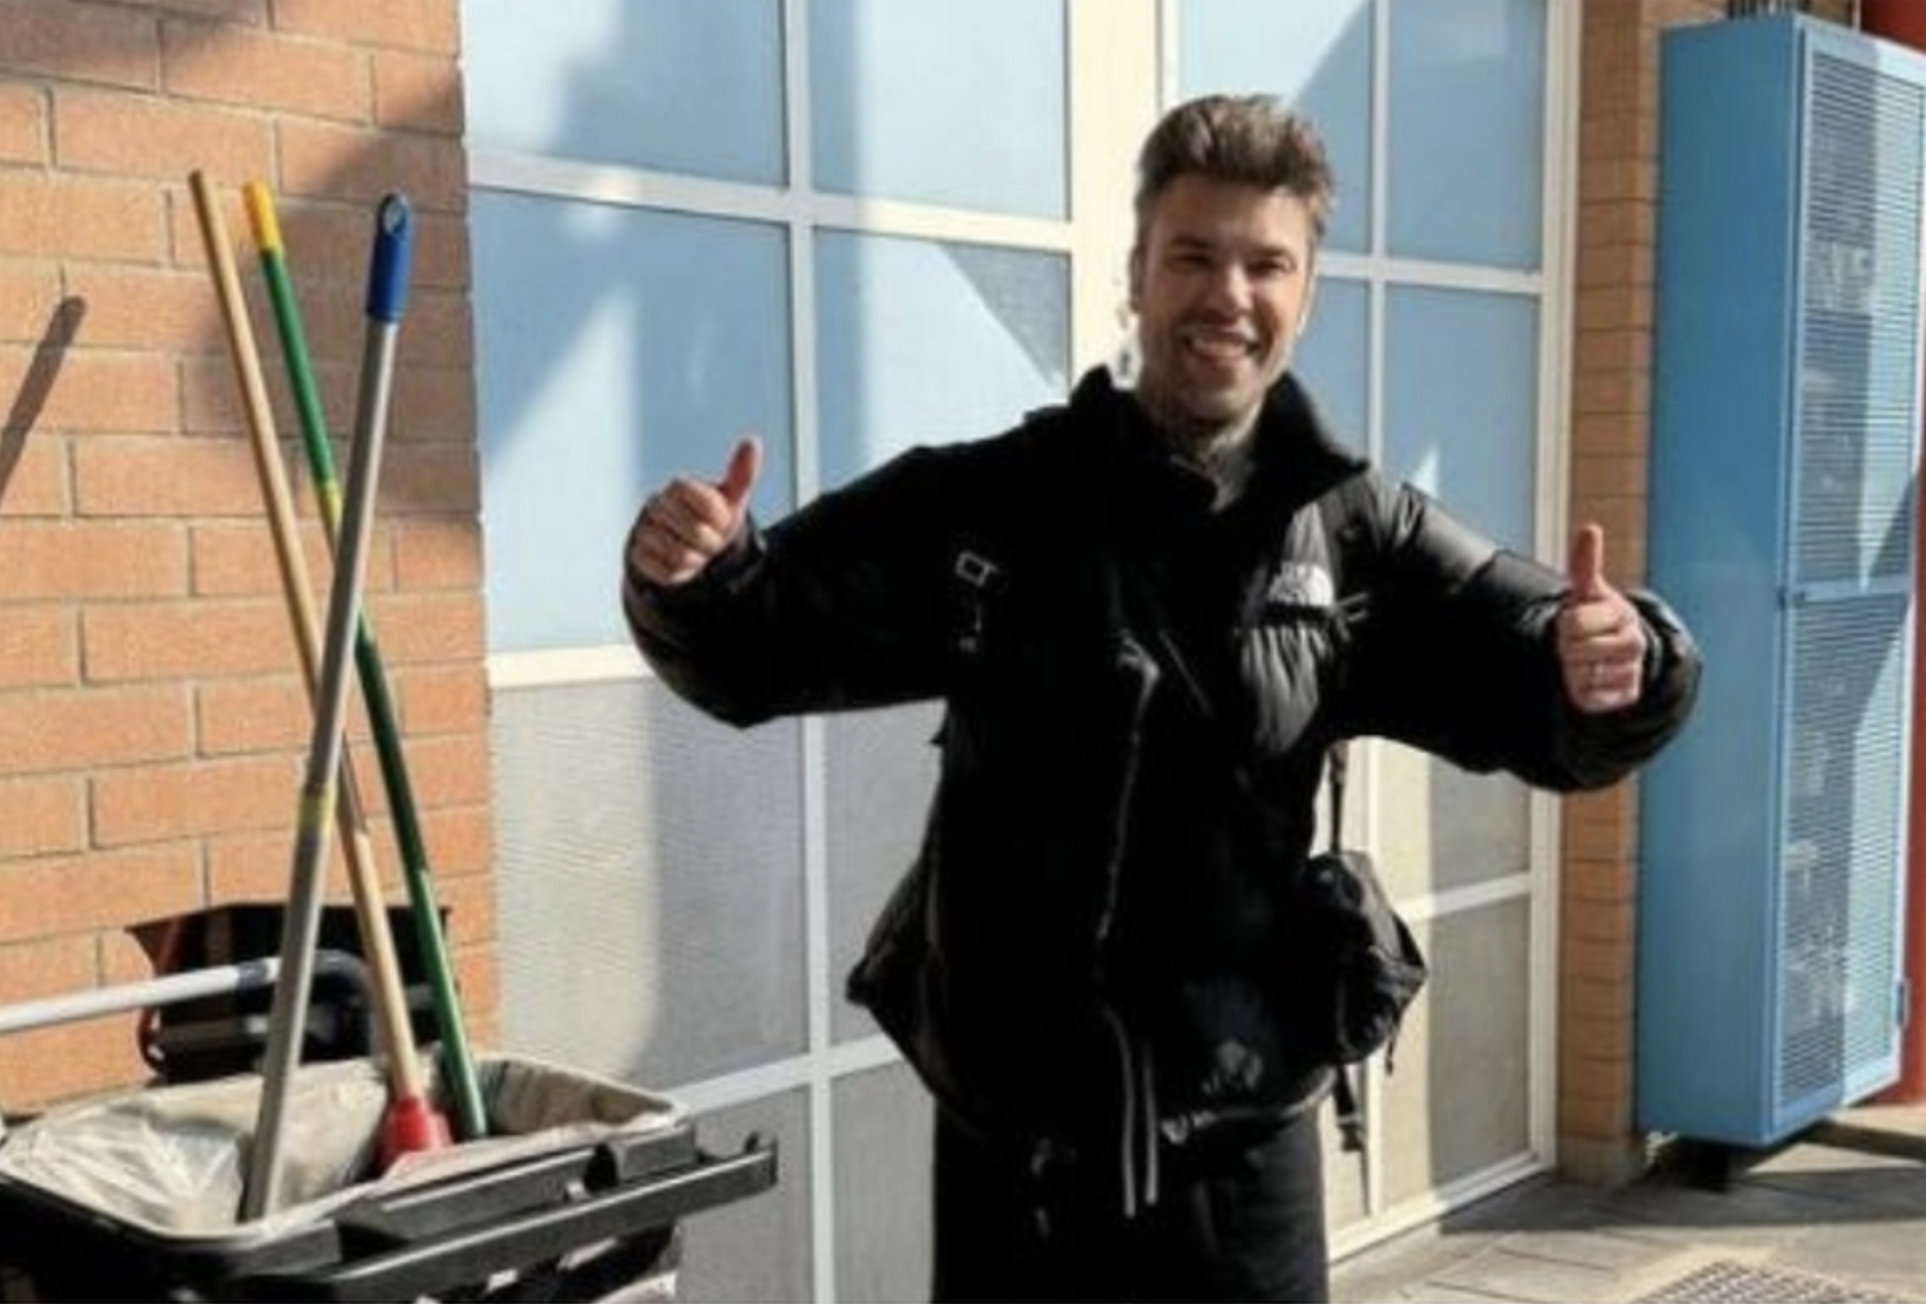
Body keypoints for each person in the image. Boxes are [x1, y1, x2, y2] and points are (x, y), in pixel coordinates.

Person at [620, 93, 1700, 1303]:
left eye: (1264, 263)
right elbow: (757, 643)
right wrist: (695, 574)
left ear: (1305, 292)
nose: (1225, 294)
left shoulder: (1356, 530)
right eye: (1192, 255)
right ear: (1135, 274)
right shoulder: (996, 504)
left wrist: (1625, 660)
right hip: (1014, 1156)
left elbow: (1537, 665)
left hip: (1241, 1154)